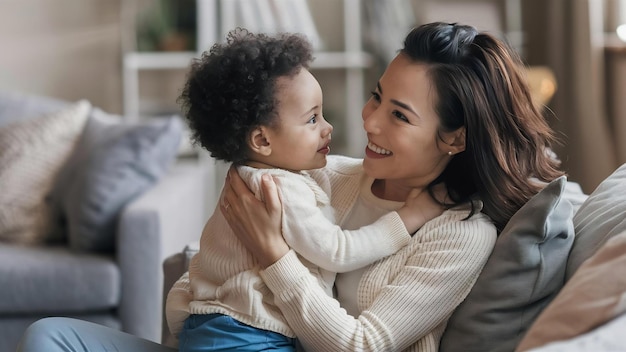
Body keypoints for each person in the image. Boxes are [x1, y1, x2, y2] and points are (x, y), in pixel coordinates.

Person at [16, 22, 563, 352]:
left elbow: (361, 344)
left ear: (453, 139)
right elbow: (224, 254)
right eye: (376, 96)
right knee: (51, 337)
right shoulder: (325, 175)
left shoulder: (459, 234)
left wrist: (274, 255)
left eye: (398, 115)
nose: (368, 122)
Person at [167, 28, 439, 352]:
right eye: (312, 119)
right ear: (263, 140)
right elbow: (338, 251)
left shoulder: (247, 178)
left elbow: (209, 265)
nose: (328, 127)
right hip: (251, 337)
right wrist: (408, 218)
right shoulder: (280, 189)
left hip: (215, 327)